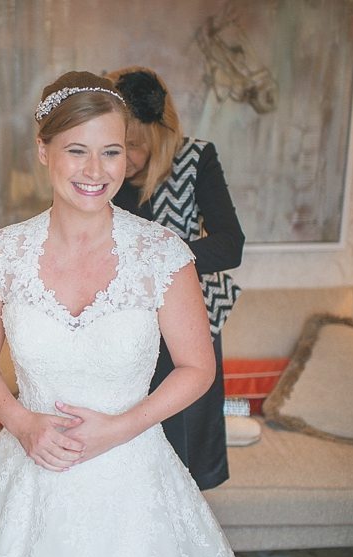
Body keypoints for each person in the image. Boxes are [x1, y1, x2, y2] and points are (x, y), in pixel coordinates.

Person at [0, 70, 257, 557]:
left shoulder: (163, 253)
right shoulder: (1, 254)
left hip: (135, 475)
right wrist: (21, 423)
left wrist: (120, 429)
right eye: (77, 151)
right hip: (30, 467)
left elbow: (197, 368)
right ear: (43, 151)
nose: (96, 171)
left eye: (111, 152)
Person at [106, 66, 245, 491]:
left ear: (159, 132)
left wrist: (159, 258)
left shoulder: (195, 159)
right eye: (115, 144)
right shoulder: (101, 170)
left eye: (133, 145)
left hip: (184, 324)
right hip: (121, 326)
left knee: (182, 450)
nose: (122, 158)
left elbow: (230, 245)